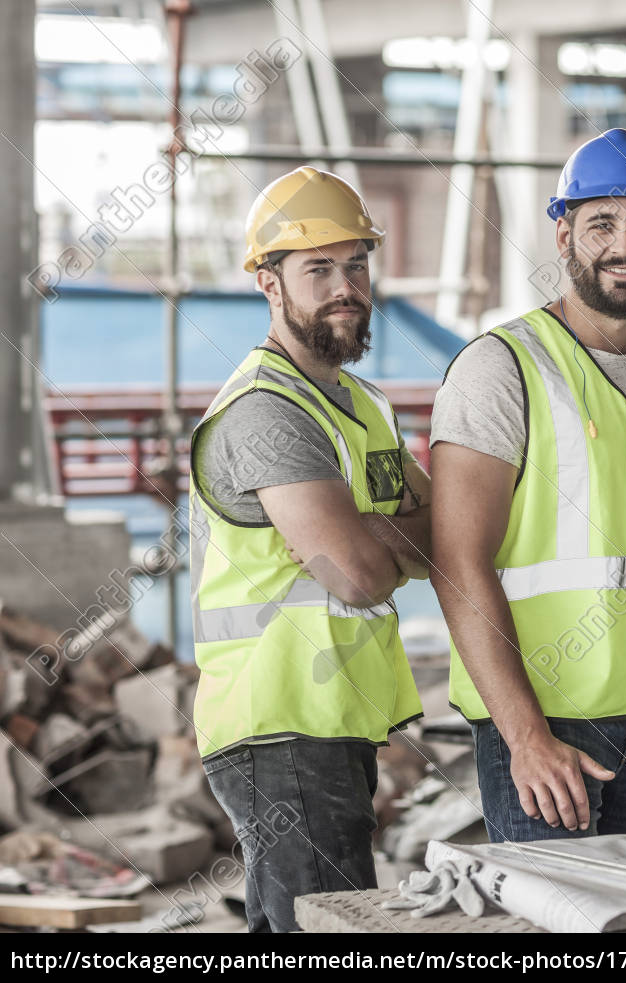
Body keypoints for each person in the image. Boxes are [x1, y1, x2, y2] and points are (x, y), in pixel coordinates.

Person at [429, 128, 626, 842]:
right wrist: (524, 734)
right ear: (563, 236)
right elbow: (458, 562)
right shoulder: (502, 368)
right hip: (546, 725)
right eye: (602, 225)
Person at [191, 166, 431, 932]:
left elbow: (445, 539)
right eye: (318, 268)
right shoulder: (267, 410)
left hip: (332, 719)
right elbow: (357, 574)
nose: (345, 286)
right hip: (280, 722)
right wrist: (378, 538)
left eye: (356, 264)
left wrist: (367, 533)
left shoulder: (362, 405)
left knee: (310, 927)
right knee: (326, 931)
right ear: (269, 283)